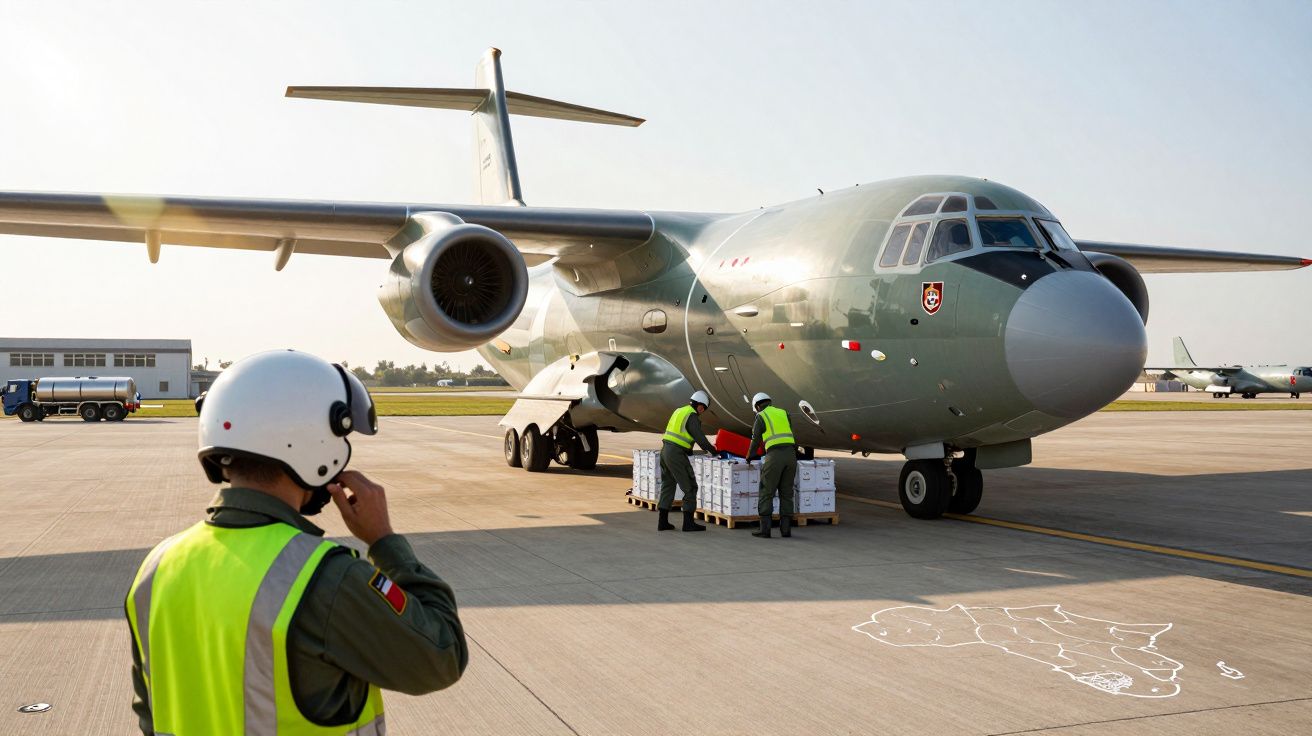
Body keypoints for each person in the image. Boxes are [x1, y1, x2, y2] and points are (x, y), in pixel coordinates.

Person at [124, 350, 467, 735]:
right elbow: (442, 656)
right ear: (315, 444)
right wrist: (385, 542)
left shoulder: (156, 570)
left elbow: (149, 712)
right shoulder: (325, 577)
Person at [657, 389, 719, 532]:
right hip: (676, 454)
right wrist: (713, 449)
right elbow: (699, 437)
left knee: (668, 484)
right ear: (700, 406)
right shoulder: (692, 416)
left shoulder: (679, 411)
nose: (702, 411)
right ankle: (688, 523)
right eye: (703, 409)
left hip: (665, 450)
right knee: (690, 487)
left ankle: (662, 522)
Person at [746, 392, 797, 538]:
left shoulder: (761, 416)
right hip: (790, 455)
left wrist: (749, 456)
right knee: (787, 493)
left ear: (757, 406)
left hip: (774, 456)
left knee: (766, 492)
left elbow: (755, 439)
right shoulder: (784, 413)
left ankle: (765, 530)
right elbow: (791, 433)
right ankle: (786, 530)